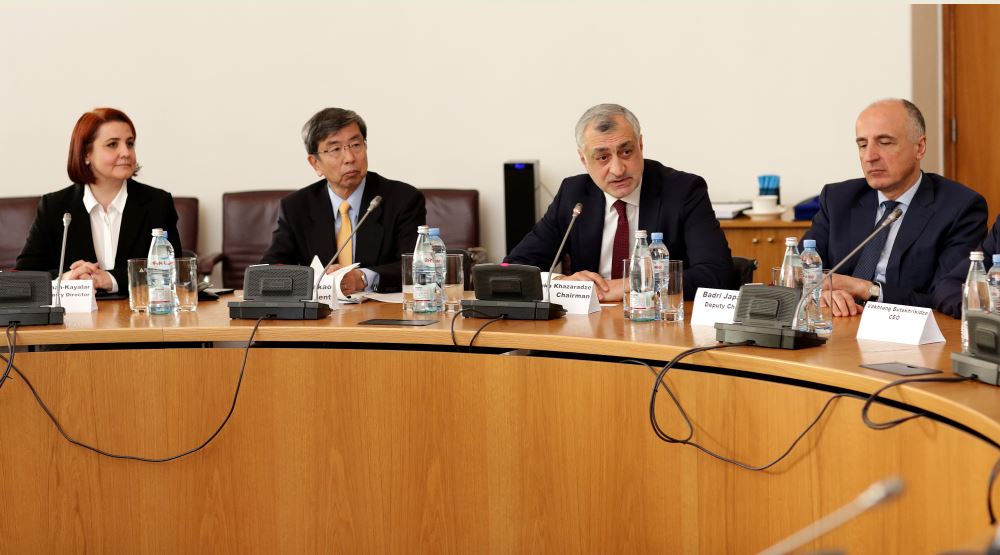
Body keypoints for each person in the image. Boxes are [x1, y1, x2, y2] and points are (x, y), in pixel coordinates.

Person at [504, 103, 735, 300]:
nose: (617, 169)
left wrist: (627, 285)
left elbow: (717, 274)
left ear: (640, 146)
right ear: (583, 160)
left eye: (626, 152)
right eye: (602, 157)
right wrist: (560, 283)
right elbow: (511, 269)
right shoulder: (574, 194)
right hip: (589, 327)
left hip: (660, 322)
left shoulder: (683, 190)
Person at [803, 99, 987, 317]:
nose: (870, 157)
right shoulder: (837, 199)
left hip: (908, 331)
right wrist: (823, 294)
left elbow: (946, 296)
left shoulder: (960, 208)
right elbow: (798, 272)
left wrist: (867, 289)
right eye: (862, 145)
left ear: (920, 147)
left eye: (884, 142)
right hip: (838, 324)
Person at [16, 108, 182, 294]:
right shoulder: (54, 206)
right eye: (112, 144)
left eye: (130, 143)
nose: (126, 152)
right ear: (86, 154)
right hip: (73, 312)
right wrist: (66, 279)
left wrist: (110, 279)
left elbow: (175, 272)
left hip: (135, 311)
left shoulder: (157, 203)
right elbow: (23, 276)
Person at [260, 108, 425, 293]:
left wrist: (363, 278)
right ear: (315, 163)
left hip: (380, 308)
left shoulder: (403, 199)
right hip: (321, 310)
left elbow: (415, 266)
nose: (350, 158)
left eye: (355, 145)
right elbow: (269, 270)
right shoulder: (296, 207)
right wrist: (314, 281)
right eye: (335, 149)